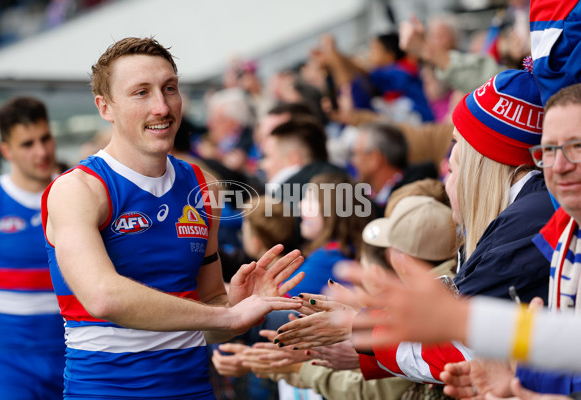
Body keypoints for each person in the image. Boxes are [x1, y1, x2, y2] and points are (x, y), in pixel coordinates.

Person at [41, 37, 303, 399]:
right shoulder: (79, 189)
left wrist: (237, 308)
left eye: (169, 89)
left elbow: (209, 320)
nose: (162, 107)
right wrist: (226, 316)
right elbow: (103, 297)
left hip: (193, 390)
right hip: (105, 391)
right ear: (105, 107)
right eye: (141, 93)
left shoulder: (203, 184)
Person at [274, 67, 554, 385]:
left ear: (483, 163)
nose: (448, 177)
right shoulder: (526, 215)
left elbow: (462, 349)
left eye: (454, 161)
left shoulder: (523, 225)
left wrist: (361, 328)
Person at [0, 96, 65, 399]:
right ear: (7, 151)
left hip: (70, 360)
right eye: (27, 144)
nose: (41, 152)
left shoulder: (77, 195)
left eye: (45, 139)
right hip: (3, 366)